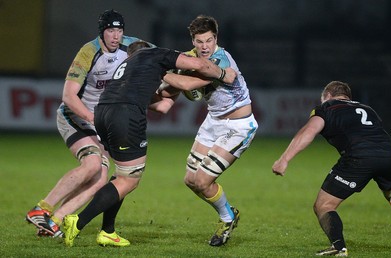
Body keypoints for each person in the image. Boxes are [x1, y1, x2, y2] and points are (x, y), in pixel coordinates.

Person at [62, 41, 237, 247]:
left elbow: (162, 106)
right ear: (149, 50)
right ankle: (78, 221)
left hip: (103, 112)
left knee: (121, 174)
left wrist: (173, 86)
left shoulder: (128, 68)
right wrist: (223, 74)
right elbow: (197, 68)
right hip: (125, 116)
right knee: (130, 180)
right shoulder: (155, 54)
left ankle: (107, 231)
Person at [25, 10, 149, 244]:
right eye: (111, 31)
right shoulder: (88, 52)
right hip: (75, 118)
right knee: (93, 163)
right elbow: (69, 96)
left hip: (98, 122)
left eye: (119, 30)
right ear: (101, 32)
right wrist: (93, 119)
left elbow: (160, 55)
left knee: (101, 178)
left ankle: (55, 221)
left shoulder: (131, 46)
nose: (116, 36)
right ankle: (41, 209)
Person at [272, 81, 391, 257]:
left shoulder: (327, 107)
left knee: (324, 205)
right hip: (390, 155)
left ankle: (338, 247)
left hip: (359, 158)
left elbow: (308, 131)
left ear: (328, 96)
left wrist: (284, 159)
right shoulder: (368, 108)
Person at [176, 15, 258, 247]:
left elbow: (188, 87)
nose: (205, 47)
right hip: (213, 122)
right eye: (200, 41)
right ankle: (229, 212)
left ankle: (227, 218)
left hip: (238, 126)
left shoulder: (221, 58)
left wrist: (161, 75)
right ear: (193, 41)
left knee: (202, 181)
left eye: (209, 40)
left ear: (216, 39)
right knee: (191, 180)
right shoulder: (191, 58)